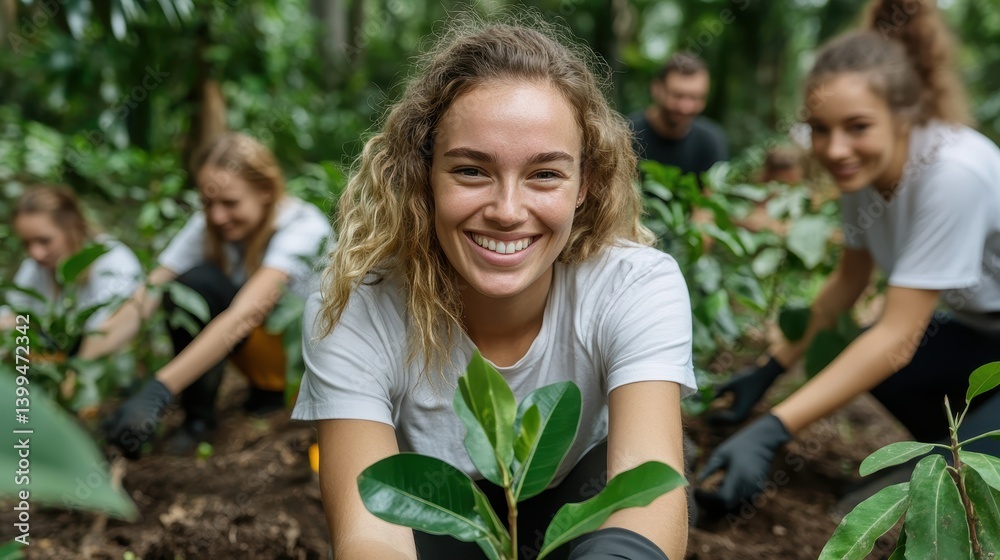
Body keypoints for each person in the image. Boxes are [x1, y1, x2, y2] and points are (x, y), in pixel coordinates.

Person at [290, 20, 696, 560]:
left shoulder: (635, 284)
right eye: (471, 171)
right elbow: (370, 533)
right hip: (442, 520)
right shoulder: (353, 302)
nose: (507, 211)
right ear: (423, 174)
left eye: (545, 175)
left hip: (581, 513)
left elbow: (650, 491)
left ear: (585, 185)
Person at [696, 0, 1000, 515]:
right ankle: (959, 453)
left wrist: (772, 430)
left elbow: (897, 337)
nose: (834, 149)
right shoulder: (863, 171)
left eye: (857, 126)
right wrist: (770, 369)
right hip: (983, 332)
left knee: (961, 490)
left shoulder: (952, 173)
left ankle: (968, 470)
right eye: (819, 128)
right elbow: (847, 284)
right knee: (880, 366)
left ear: (904, 116)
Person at [98, 132, 332, 456]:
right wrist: (81, 361)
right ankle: (199, 419)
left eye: (230, 203)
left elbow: (248, 312)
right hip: (259, 353)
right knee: (186, 286)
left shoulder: (302, 228)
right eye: (208, 202)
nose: (217, 216)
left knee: (201, 284)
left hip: (306, 365)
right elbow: (150, 291)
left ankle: (272, 396)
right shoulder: (211, 223)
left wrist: (157, 391)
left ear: (265, 192)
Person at [1, 186, 142, 352]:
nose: (36, 254)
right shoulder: (34, 268)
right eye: (26, 243)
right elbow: (14, 313)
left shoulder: (113, 261)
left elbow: (112, 330)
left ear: (72, 229)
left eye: (44, 241)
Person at [629, 52, 729, 177]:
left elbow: (713, 194)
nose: (685, 108)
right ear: (656, 89)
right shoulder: (626, 135)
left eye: (695, 97)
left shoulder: (710, 142)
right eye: (677, 95)